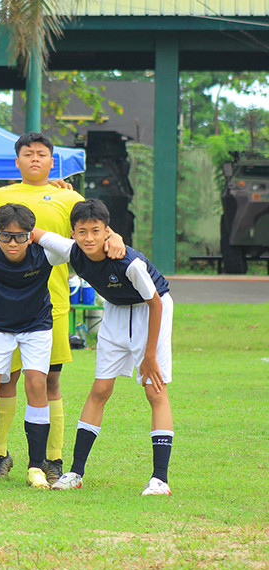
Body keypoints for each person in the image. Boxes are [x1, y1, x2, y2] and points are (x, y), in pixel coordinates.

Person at [0, 132, 124, 483]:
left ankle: (52, 458)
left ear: (52, 162)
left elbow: (96, 230)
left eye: (42, 154)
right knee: (4, 380)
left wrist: (117, 238)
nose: (35, 159)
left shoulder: (69, 197)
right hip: (4, 305)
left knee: (48, 381)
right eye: (28, 154)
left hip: (51, 306)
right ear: (16, 161)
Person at [33, 200, 175, 495]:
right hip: (115, 311)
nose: (88, 238)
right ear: (72, 232)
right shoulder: (71, 249)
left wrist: (149, 355)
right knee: (99, 390)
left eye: (96, 231)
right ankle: (75, 472)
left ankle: (159, 479)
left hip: (151, 311)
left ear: (107, 231)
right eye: (82, 231)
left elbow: (156, 302)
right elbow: (33, 233)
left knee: (154, 389)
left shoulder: (128, 262)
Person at [0, 203, 70, 489]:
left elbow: (68, 247)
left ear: (30, 236)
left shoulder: (44, 253)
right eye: (5, 236)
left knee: (35, 383)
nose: (12, 243)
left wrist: (30, 234)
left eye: (20, 236)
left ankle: (36, 467)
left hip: (37, 327)